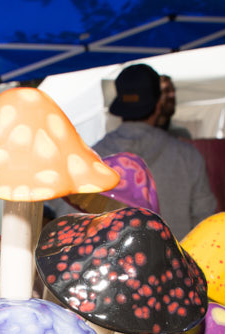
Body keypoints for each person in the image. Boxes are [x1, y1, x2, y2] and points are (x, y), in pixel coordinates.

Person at [93, 63, 217, 239]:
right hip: (175, 263)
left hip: (111, 264)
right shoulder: (187, 157)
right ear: (158, 103)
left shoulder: (93, 158)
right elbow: (206, 223)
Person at [154, 74, 193, 140]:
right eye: (166, 90)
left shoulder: (181, 134)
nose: (172, 95)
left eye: (173, 90)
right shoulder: (140, 134)